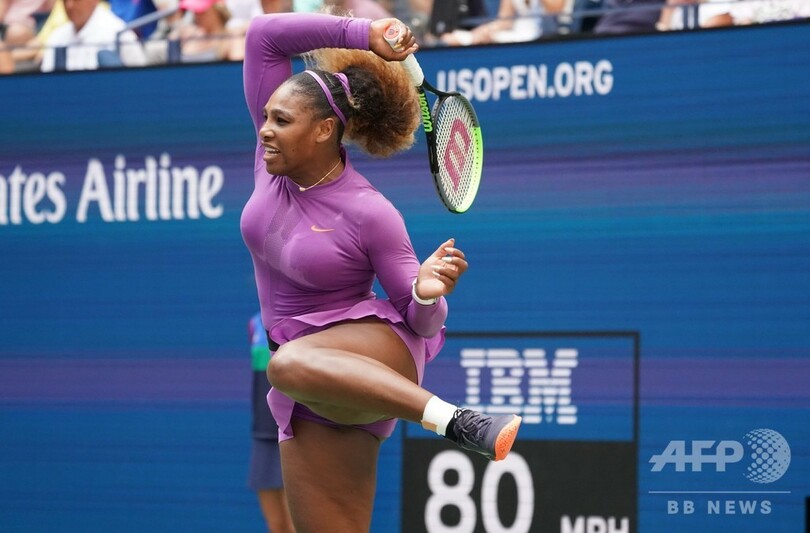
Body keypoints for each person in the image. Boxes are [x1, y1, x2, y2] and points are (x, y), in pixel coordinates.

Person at [240, 11, 522, 531]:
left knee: (284, 366)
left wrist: (426, 293)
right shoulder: (269, 165)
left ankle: (457, 420)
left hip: (376, 352)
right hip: (314, 382)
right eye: (266, 117)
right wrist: (364, 34)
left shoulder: (371, 211)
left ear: (324, 130)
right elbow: (263, 36)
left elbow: (421, 320)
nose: (265, 130)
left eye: (281, 120)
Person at [247, 313, 295, 533]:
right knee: (275, 525)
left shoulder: (301, 319)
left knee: (297, 525)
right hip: (263, 431)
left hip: (294, 429)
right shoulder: (253, 323)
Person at [39, 0, 147, 72]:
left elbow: (139, 82)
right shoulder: (57, 38)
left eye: (77, 0)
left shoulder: (119, 34)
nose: (70, 5)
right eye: (65, 0)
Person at [440, 0, 564, 46]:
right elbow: (504, 21)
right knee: (456, 37)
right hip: (517, 33)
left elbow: (554, 9)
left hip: (543, 35)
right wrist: (484, 31)